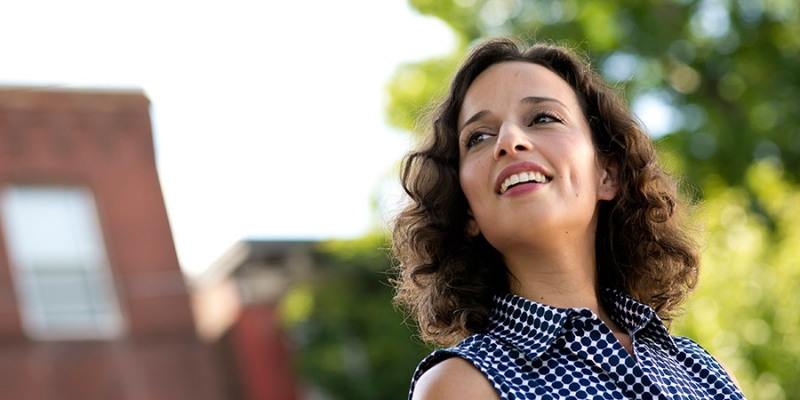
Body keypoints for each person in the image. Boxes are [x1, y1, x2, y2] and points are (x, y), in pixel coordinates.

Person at [391, 37, 745, 399]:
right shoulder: (460, 386)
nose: (509, 140)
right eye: (478, 137)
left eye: (543, 118)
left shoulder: (707, 371)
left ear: (607, 175)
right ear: (467, 211)